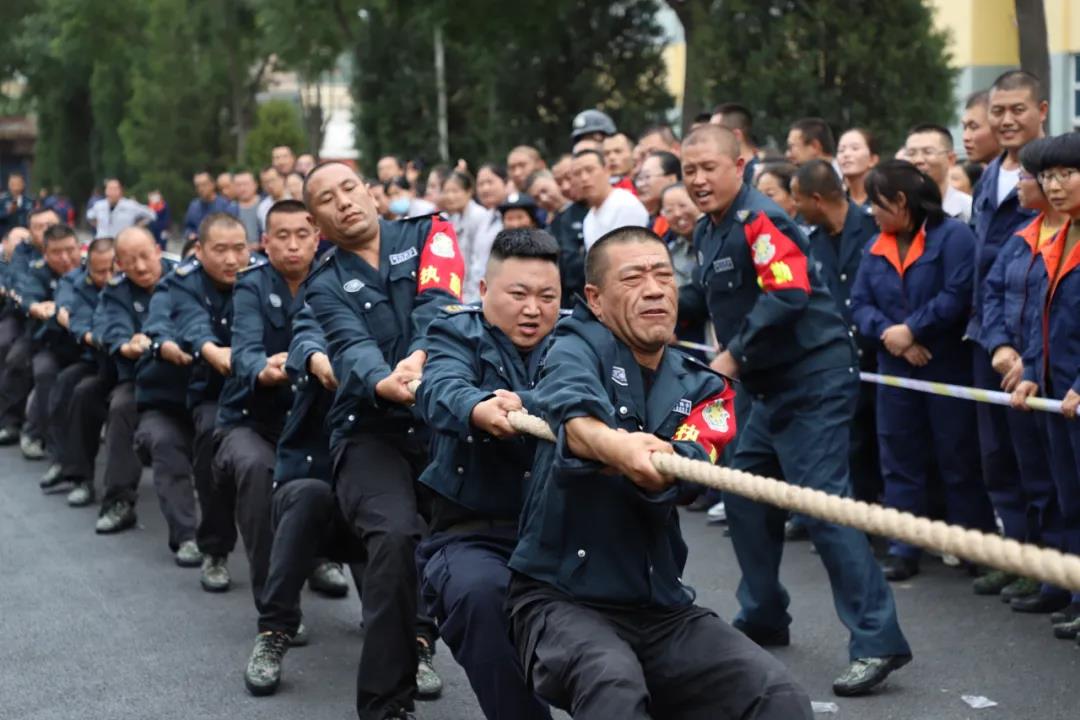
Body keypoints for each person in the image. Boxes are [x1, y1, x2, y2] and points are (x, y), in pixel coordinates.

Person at [506, 225, 813, 719]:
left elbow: (691, 468)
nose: (654, 289)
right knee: (612, 685)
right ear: (596, 299)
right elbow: (575, 415)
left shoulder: (706, 388)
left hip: (661, 608)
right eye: (633, 279)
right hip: (561, 600)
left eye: (664, 276)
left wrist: (659, 467)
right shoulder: (573, 344)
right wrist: (622, 448)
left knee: (778, 698)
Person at [679, 124, 911, 695]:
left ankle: (878, 642)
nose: (699, 180)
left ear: (740, 165)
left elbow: (788, 292)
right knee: (745, 494)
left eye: (709, 167)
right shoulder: (709, 232)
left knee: (822, 509)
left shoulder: (763, 218)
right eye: (689, 171)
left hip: (813, 380)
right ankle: (763, 614)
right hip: (767, 387)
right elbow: (703, 300)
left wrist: (731, 357)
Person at [302, 161, 464, 720]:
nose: (344, 201)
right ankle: (384, 705)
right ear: (317, 220)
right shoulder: (323, 280)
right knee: (395, 537)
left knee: (480, 553)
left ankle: (426, 641)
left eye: (349, 187)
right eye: (327, 198)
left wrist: (417, 360)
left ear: (370, 192)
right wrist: (383, 381)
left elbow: (440, 306)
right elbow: (349, 347)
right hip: (369, 429)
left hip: (441, 418)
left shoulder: (430, 233)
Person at [414, 228, 560, 720]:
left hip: (567, 533)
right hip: (473, 529)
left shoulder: (579, 340)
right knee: (479, 596)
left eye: (547, 297)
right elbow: (440, 387)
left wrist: (531, 404)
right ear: (482, 290)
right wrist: (478, 408)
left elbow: (585, 395)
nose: (533, 309)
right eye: (518, 294)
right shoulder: (455, 331)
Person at [850, 160, 997, 581]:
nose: (871, 213)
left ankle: (974, 546)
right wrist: (892, 335)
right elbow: (859, 304)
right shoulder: (876, 243)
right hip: (895, 370)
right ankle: (903, 546)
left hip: (945, 366)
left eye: (877, 204)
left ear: (900, 200)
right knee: (899, 458)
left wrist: (913, 329)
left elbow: (959, 293)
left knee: (957, 457)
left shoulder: (953, 236)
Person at [212, 199, 349, 645]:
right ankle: (277, 611)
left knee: (358, 469)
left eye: (302, 235)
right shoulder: (251, 284)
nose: (292, 245)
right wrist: (262, 369)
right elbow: (246, 346)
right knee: (256, 470)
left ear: (317, 238)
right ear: (265, 242)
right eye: (282, 237)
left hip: (311, 419)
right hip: (252, 417)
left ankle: (390, 617)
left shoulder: (336, 279)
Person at [968, 70, 1049, 597]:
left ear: (1042, 109)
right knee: (997, 454)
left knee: (1043, 462)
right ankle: (1016, 554)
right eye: (998, 111)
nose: (1006, 120)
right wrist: (992, 339)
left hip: (1040, 337)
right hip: (987, 333)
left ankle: (1053, 568)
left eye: (1017, 109)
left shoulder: (1058, 171)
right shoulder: (988, 174)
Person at [984, 139, 1070, 611]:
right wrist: (1002, 349)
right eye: (1043, 176)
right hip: (1030, 380)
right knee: (1042, 485)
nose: (1025, 184)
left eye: (1029, 176)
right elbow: (995, 296)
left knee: (1069, 490)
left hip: (1063, 384)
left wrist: (1035, 363)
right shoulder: (1022, 239)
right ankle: (1054, 582)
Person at [1013, 132, 1080, 629]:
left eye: (1066, 174)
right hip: (1057, 397)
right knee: (1068, 497)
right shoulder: (1056, 240)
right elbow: (1042, 318)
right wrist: (1033, 375)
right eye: (1047, 177)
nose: (1054, 186)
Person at [791, 159, 882, 504]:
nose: (795, 208)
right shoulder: (808, 239)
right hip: (831, 361)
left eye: (797, 199)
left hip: (873, 356)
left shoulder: (873, 227)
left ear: (816, 199)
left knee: (876, 446)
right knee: (843, 445)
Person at [171, 213, 253, 592]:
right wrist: (213, 351)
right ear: (200, 250)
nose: (232, 259)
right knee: (210, 442)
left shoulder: (263, 277)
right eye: (220, 250)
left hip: (269, 388)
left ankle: (320, 556)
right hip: (213, 391)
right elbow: (192, 327)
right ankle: (216, 549)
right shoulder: (186, 283)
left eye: (239, 248)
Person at [40, 235, 115, 506]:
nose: (107, 277)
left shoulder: (135, 283)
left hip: (131, 366)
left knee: (87, 394)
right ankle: (72, 469)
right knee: (65, 385)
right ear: (88, 267)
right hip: (97, 357)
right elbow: (73, 316)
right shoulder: (78, 284)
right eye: (99, 272)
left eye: (112, 270)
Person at [19, 225, 86, 464]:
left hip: (84, 347)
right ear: (45, 254)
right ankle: (41, 435)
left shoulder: (93, 268)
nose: (66, 257)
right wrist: (39, 308)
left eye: (71, 250)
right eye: (57, 252)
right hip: (50, 343)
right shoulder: (38, 272)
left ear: (80, 248)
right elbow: (29, 299)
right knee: (46, 375)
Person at [0, 207, 60, 450]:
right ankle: (11, 420)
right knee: (14, 356)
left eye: (51, 225)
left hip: (63, 323)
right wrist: (35, 304)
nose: (46, 231)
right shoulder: (24, 254)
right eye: (39, 227)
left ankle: (41, 430)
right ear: (30, 232)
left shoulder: (71, 250)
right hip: (26, 318)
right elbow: (22, 287)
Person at [526, 169, 587, 308]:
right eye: (536, 198)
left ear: (556, 182)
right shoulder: (548, 228)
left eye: (544, 190)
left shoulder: (584, 210)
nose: (544, 198)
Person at [573, 150, 648, 250]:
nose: (584, 178)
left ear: (607, 170)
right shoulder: (588, 219)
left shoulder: (626, 205)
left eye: (590, 170)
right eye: (577, 174)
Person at [904, 124, 973, 222]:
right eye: (911, 153)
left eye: (928, 152)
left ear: (950, 159)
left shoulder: (969, 210)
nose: (918, 160)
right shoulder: (896, 211)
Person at [85, 178, 156, 239]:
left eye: (115, 189)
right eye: (109, 188)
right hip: (102, 243)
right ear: (106, 190)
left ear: (121, 190)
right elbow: (89, 216)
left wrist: (137, 226)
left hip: (122, 243)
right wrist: (98, 225)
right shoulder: (99, 205)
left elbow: (151, 214)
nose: (112, 191)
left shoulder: (130, 205)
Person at [711, 102, 760, 184]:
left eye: (714, 133)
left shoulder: (757, 175)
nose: (709, 139)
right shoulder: (726, 173)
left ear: (736, 136)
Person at [636, 151, 681, 236]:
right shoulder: (651, 220)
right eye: (639, 178)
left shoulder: (680, 216)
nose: (640, 184)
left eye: (647, 177)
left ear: (671, 179)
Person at [184, 171, 238, 241]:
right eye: (197, 186)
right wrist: (190, 234)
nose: (201, 189)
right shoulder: (193, 205)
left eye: (204, 185)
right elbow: (188, 227)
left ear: (212, 185)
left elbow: (231, 230)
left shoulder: (226, 205)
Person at [836, 128, 879, 208]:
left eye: (855, 148)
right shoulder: (835, 203)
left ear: (872, 159)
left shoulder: (882, 201)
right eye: (841, 150)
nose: (846, 154)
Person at [963, 90, 1002, 165]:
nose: (965, 137)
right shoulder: (965, 173)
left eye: (973, 127)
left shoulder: (1026, 173)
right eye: (964, 127)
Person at [233, 171, 263, 247]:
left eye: (246, 184)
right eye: (238, 185)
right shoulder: (231, 209)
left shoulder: (264, 205)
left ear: (255, 185)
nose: (242, 188)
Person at [258, 167, 291, 234]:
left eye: (272, 180)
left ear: (282, 179)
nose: (270, 185)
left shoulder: (295, 199)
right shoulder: (262, 207)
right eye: (265, 182)